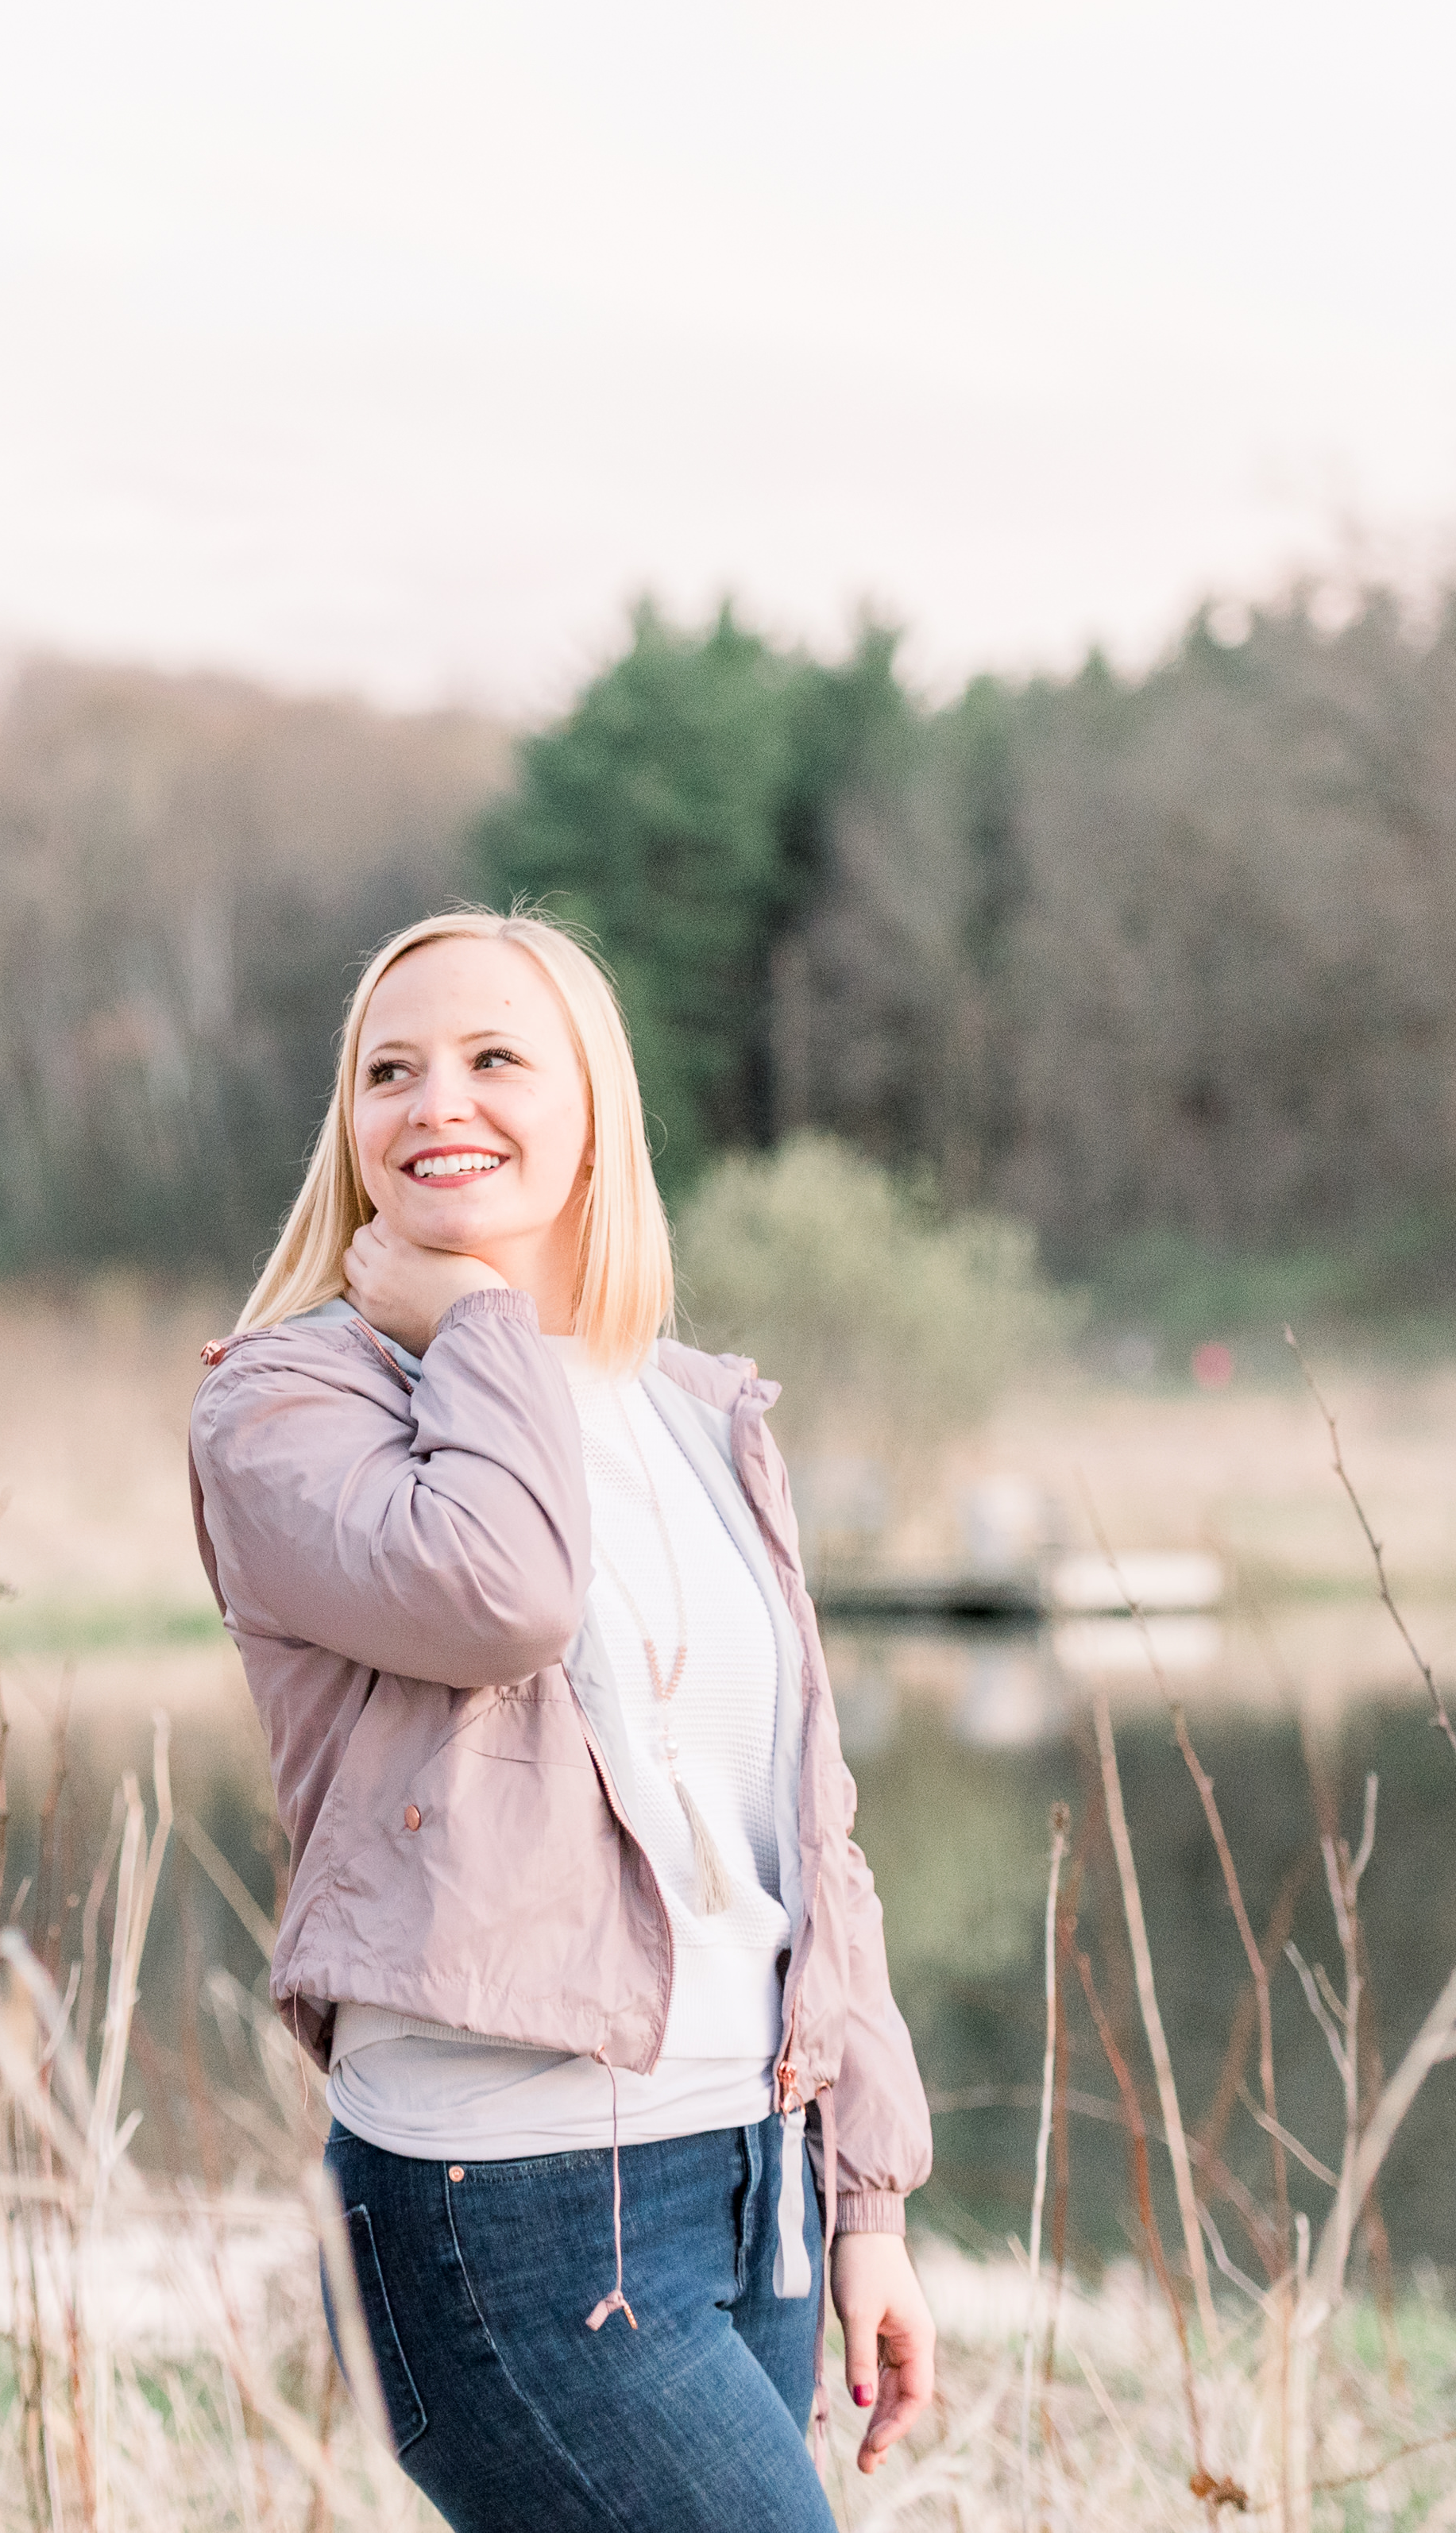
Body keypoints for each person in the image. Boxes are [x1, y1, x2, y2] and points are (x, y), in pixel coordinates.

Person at [187, 908, 939, 2531]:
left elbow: (811, 1830)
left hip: (752, 2175)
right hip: (502, 2200)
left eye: (492, 1059)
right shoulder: (286, 1406)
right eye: (389, 1071)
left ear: (591, 1103)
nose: (434, 1100)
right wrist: (471, 1321)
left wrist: (863, 2194)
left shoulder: (696, 1412)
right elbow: (501, 1595)